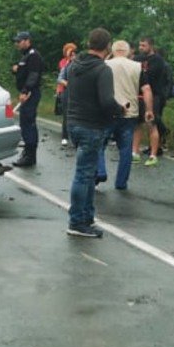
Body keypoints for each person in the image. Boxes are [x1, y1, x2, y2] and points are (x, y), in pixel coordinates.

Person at [65, 28, 124, 237]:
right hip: (91, 125)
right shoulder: (102, 70)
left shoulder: (74, 65)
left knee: (88, 174)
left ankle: (86, 217)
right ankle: (76, 222)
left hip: (74, 123)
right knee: (83, 174)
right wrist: (120, 110)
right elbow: (106, 101)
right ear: (107, 47)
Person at [96, 40, 151, 191]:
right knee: (126, 149)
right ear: (128, 52)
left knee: (100, 144)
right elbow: (146, 89)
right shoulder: (137, 67)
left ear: (112, 51)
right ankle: (121, 183)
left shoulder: (104, 65)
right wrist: (149, 109)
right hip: (130, 113)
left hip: (108, 111)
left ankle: (100, 170)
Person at [132, 36, 172, 166]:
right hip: (138, 95)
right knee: (137, 124)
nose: (141, 48)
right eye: (140, 45)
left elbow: (149, 76)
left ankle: (153, 154)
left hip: (153, 95)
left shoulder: (158, 61)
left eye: (143, 45)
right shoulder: (137, 58)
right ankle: (135, 152)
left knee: (151, 123)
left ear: (150, 46)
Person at [10, 31, 43, 167]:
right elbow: (25, 71)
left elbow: (33, 75)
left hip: (30, 93)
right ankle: (27, 152)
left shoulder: (33, 55)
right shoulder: (25, 56)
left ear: (27, 41)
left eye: (19, 41)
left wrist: (25, 90)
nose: (17, 44)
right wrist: (16, 70)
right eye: (16, 41)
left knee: (28, 122)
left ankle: (30, 155)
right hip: (28, 91)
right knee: (24, 122)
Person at [54, 42, 77, 147]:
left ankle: (74, 136)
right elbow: (60, 78)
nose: (72, 55)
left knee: (76, 115)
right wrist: (66, 84)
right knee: (66, 114)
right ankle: (65, 136)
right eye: (70, 52)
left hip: (76, 92)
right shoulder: (64, 64)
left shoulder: (79, 64)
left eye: (74, 52)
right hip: (65, 90)